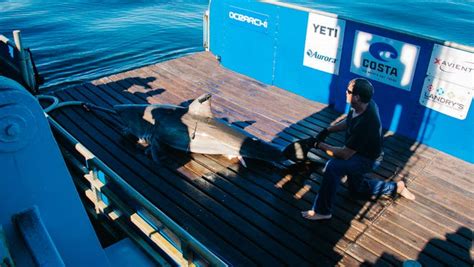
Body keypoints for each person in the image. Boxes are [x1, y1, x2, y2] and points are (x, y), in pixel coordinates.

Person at [302, 78, 415, 220]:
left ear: (356, 97)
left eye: (348, 91)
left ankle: (322, 211)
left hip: (367, 159)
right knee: (356, 189)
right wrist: (328, 130)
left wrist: (317, 145)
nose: (346, 92)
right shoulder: (364, 105)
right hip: (362, 152)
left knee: (333, 167)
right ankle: (396, 188)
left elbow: (344, 154)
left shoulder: (366, 123)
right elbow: (349, 121)